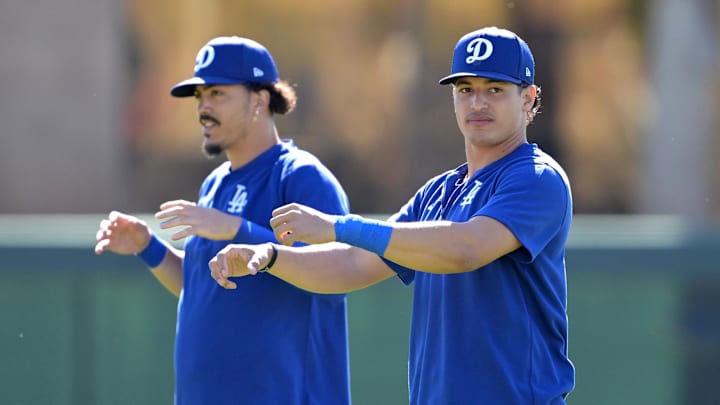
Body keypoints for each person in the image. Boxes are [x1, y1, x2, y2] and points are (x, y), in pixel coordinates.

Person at [209, 27, 575, 404]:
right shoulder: (439, 191)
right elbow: (352, 264)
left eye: (494, 89)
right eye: (465, 89)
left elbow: (467, 248)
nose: (477, 102)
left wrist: (337, 226)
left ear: (528, 99)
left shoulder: (536, 178)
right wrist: (271, 257)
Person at [95, 36, 352, 405]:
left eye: (217, 93)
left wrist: (237, 229)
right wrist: (147, 247)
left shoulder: (301, 177)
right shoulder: (215, 183)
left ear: (259, 100)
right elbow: (202, 285)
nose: (203, 107)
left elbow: (338, 272)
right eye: (200, 95)